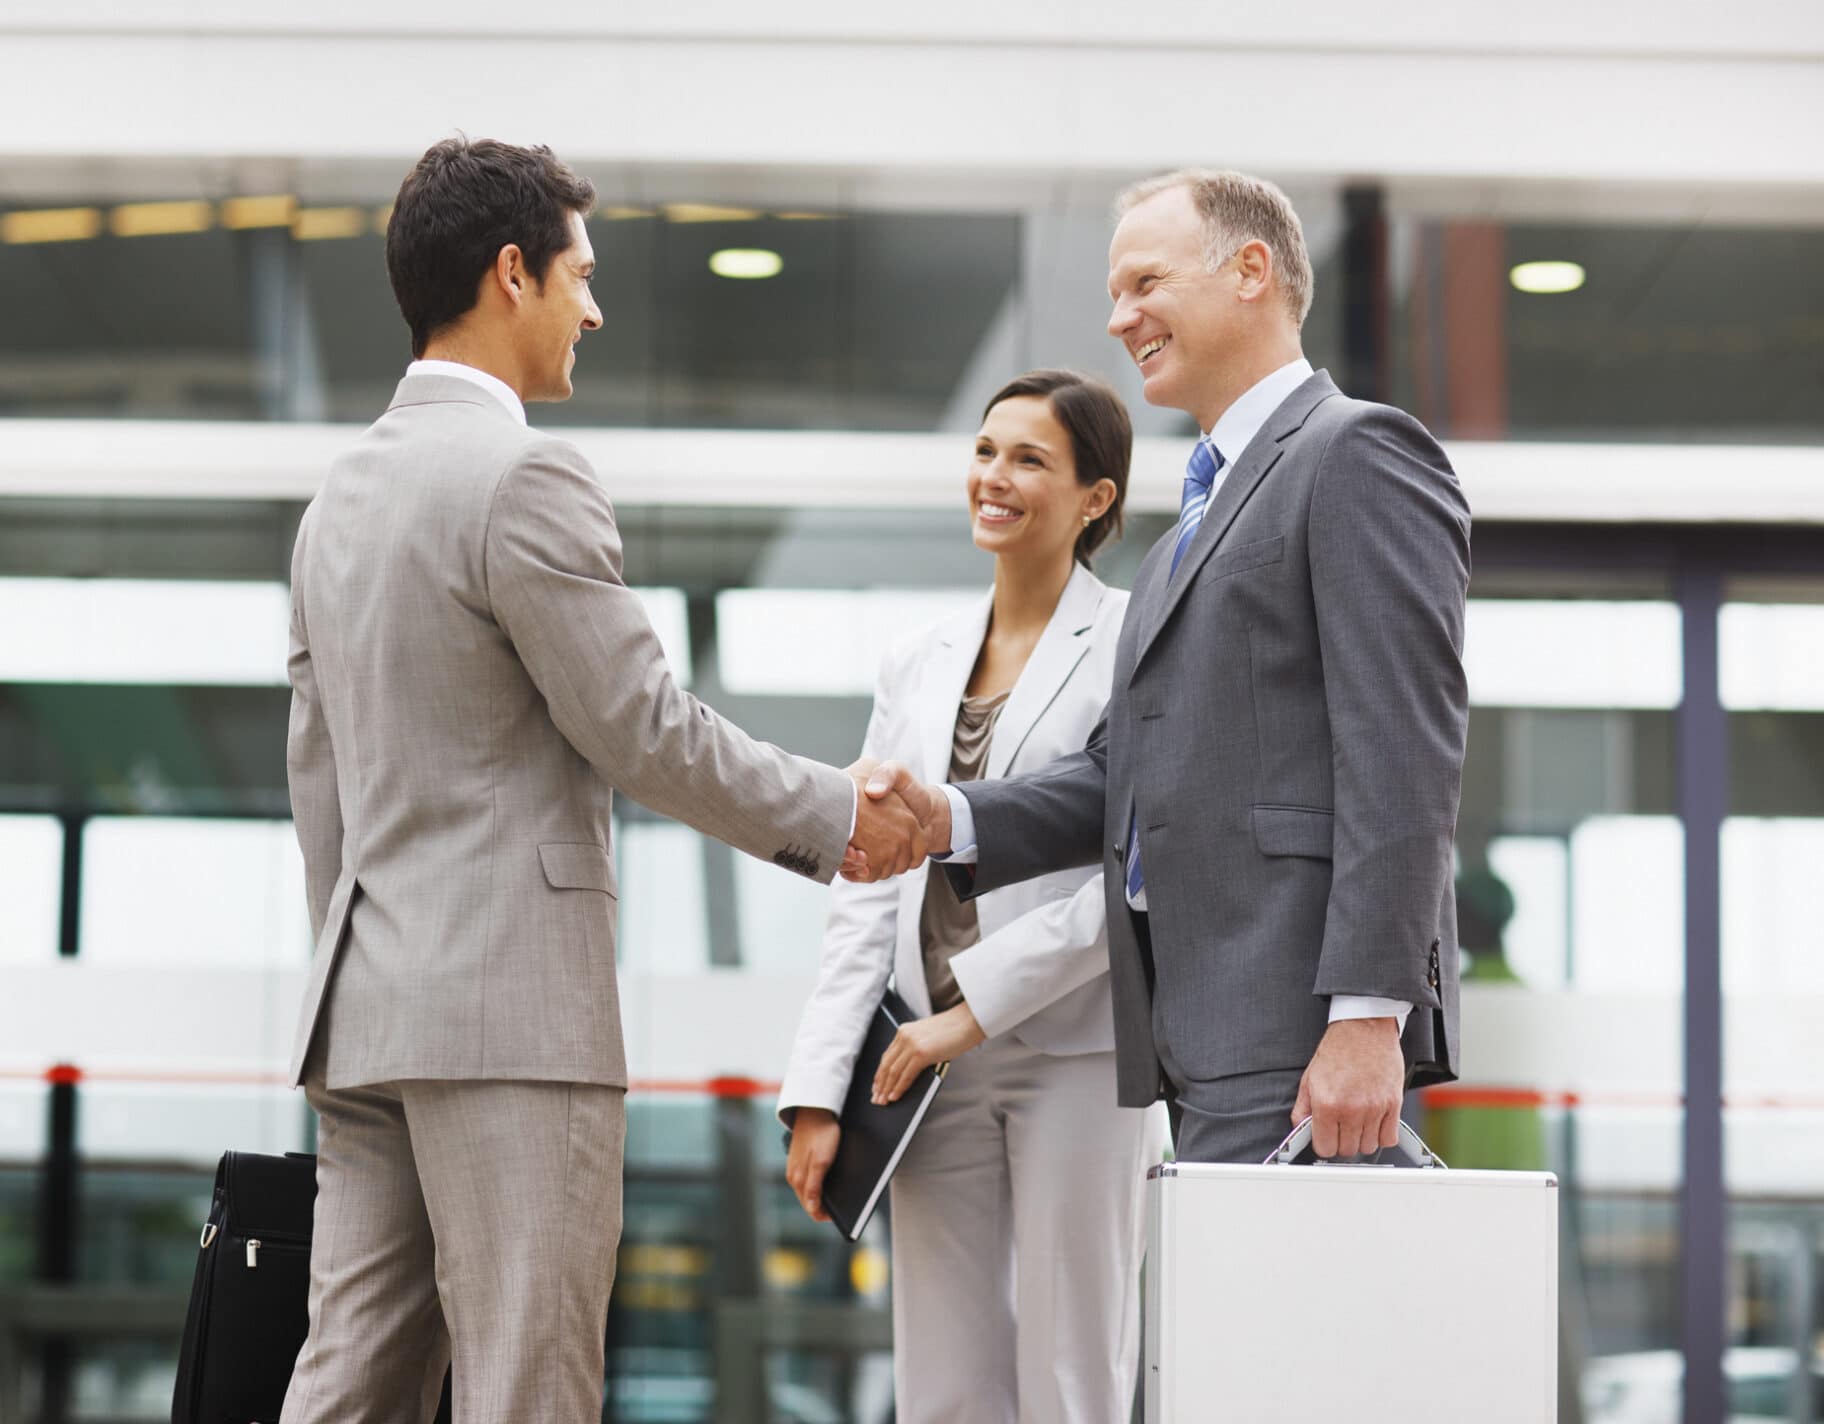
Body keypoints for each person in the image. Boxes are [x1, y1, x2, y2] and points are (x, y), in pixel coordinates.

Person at [278, 137, 933, 1424]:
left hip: (365, 1006)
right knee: (528, 1382)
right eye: (580, 274)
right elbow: (637, 723)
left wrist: (362, 959)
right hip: (510, 1011)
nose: (594, 306)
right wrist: (838, 814)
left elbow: (321, 778)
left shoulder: (337, 497)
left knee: (349, 1380)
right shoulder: (523, 474)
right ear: (509, 273)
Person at [859, 168, 1471, 1167]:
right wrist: (950, 818)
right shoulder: (1184, 530)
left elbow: (1403, 752)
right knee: (1232, 1324)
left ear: (1248, 270)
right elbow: (1130, 778)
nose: (1117, 318)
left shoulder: (1354, 452)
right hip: (1197, 1035)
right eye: (1114, 292)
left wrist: (1368, 1017)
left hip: (1295, 1023)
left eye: (1143, 282)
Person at [780, 370, 1171, 1422]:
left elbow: (1136, 865)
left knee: (1069, 1376)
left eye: (1029, 458)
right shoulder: (918, 659)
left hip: (1072, 1051)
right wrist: (821, 1087)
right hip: (916, 1059)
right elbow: (865, 883)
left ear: (1095, 498)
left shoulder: (1137, 644)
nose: (993, 476)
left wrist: (976, 1006)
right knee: (943, 1382)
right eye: (986, 451)